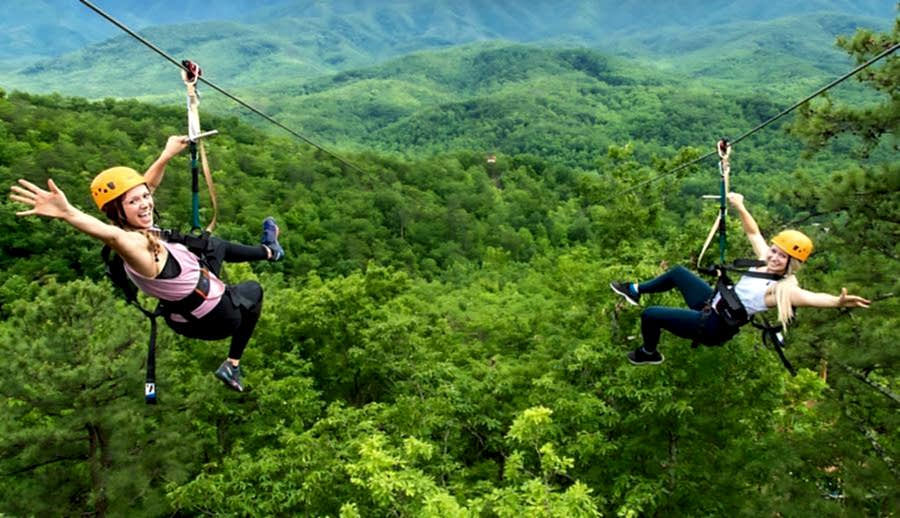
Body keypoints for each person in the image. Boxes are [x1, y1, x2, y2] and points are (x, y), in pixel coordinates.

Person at [9, 136, 285, 392]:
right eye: (134, 201)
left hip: (184, 316)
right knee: (253, 290)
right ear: (118, 211)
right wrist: (68, 213)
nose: (145, 203)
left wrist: (166, 155)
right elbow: (112, 236)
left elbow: (148, 185)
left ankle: (269, 251)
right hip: (217, 318)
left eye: (145, 196)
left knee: (214, 245)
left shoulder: (136, 227)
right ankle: (233, 364)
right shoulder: (135, 246)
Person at [610, 192, 870, 365]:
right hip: (713, 303)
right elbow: (753, 233)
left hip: (713, 325)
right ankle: (635, 289)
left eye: (782, 257)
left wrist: (837, 301)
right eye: (775, 251)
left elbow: (811, 298)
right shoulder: (765, 261)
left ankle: (649, 352)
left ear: (792, 263)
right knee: (678, 272)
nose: (774, 257)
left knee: (651, 315)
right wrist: (740, 206)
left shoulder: (781, 289)